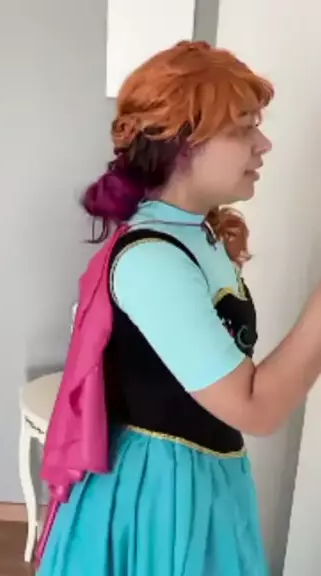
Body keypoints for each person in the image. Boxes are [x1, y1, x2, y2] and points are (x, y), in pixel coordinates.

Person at [37, 41, 321, 576]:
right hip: (161, 496)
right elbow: (255, 408)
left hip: (203, 475)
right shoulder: (153, 260)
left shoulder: (193, 233)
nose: (263, 145)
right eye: (244, 128)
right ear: (182, 143)